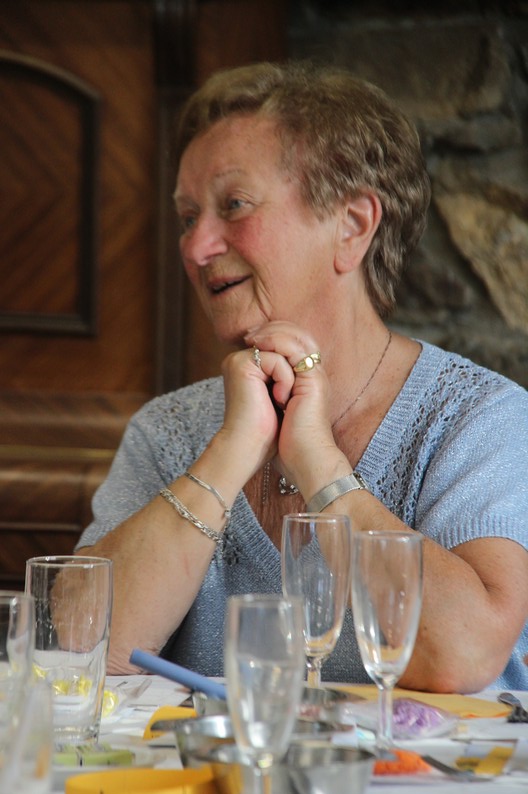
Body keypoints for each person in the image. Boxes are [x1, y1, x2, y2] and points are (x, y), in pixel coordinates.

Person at [76, 60, 528, 692]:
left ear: (353, 226)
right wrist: (231, 451)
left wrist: (317, 461)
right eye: (187, 217)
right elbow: (75, 646)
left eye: (234, 205)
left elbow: (462, 653)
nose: (197, 247)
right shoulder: (168, 430)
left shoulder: (479, 418)